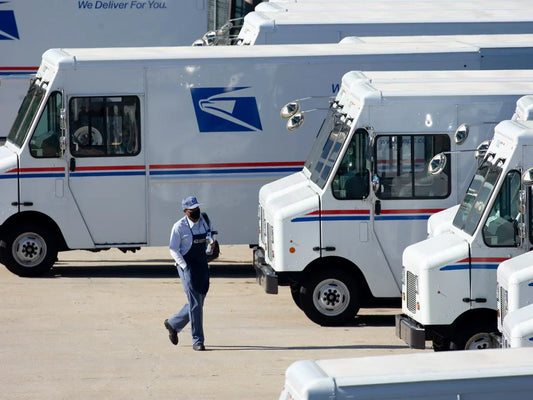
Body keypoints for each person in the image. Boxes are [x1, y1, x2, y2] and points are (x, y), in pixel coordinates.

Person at [164, 196, 215, 351]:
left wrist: (211, 245)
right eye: (192, 210)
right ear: (185, 211)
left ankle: (173, 324)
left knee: (198, 302)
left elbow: (210, 236)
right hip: (186, 266)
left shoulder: (204, 220)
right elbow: (173, 249)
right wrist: (185, 266)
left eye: (197, 209)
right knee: (195, 303)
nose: (196, 212)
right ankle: (197, 340)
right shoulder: (179, 227)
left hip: (202, 265)